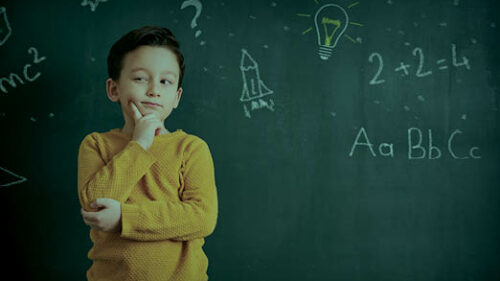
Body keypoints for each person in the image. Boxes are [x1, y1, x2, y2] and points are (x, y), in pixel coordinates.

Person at [77, 25, 218, 281]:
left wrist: (124, 218)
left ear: (176, 97)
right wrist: (139, 144)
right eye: (141, 78)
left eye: (165, 81)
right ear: (114, 89)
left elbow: (202, 217)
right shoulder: (96, 145)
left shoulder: (191, 148)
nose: (154, 90)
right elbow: (94, 206)